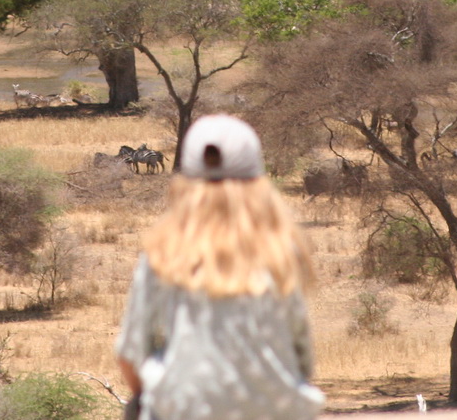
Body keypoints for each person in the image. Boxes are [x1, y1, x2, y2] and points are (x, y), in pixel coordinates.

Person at [115, 115, 323, 420]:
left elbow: (129, 357)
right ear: (258, 180)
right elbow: (303, 358)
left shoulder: (163, 251)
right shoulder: (284, 250)